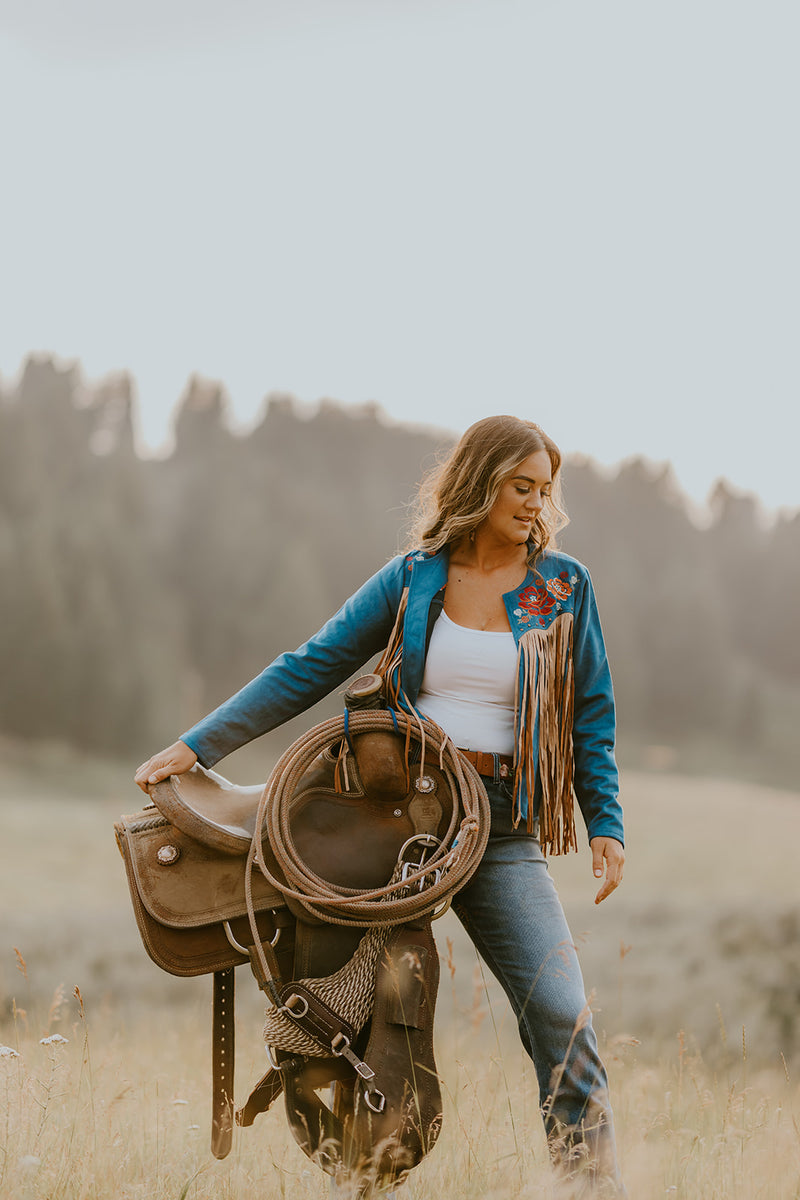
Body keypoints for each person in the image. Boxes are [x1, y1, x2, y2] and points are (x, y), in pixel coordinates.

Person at [135, 415, 626, 1197]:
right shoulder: (417, 576)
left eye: (545, 489)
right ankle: (360, 1176)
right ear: (481, 483)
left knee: (564, 1021)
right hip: (399, 824)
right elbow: (311, 664)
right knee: (361, 1024)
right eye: (520, 486)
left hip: (501, 827)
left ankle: (592, 1189)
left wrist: (606, 823)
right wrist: (200, 746)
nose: (536, 503)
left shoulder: (561, 586)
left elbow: (589, 713)